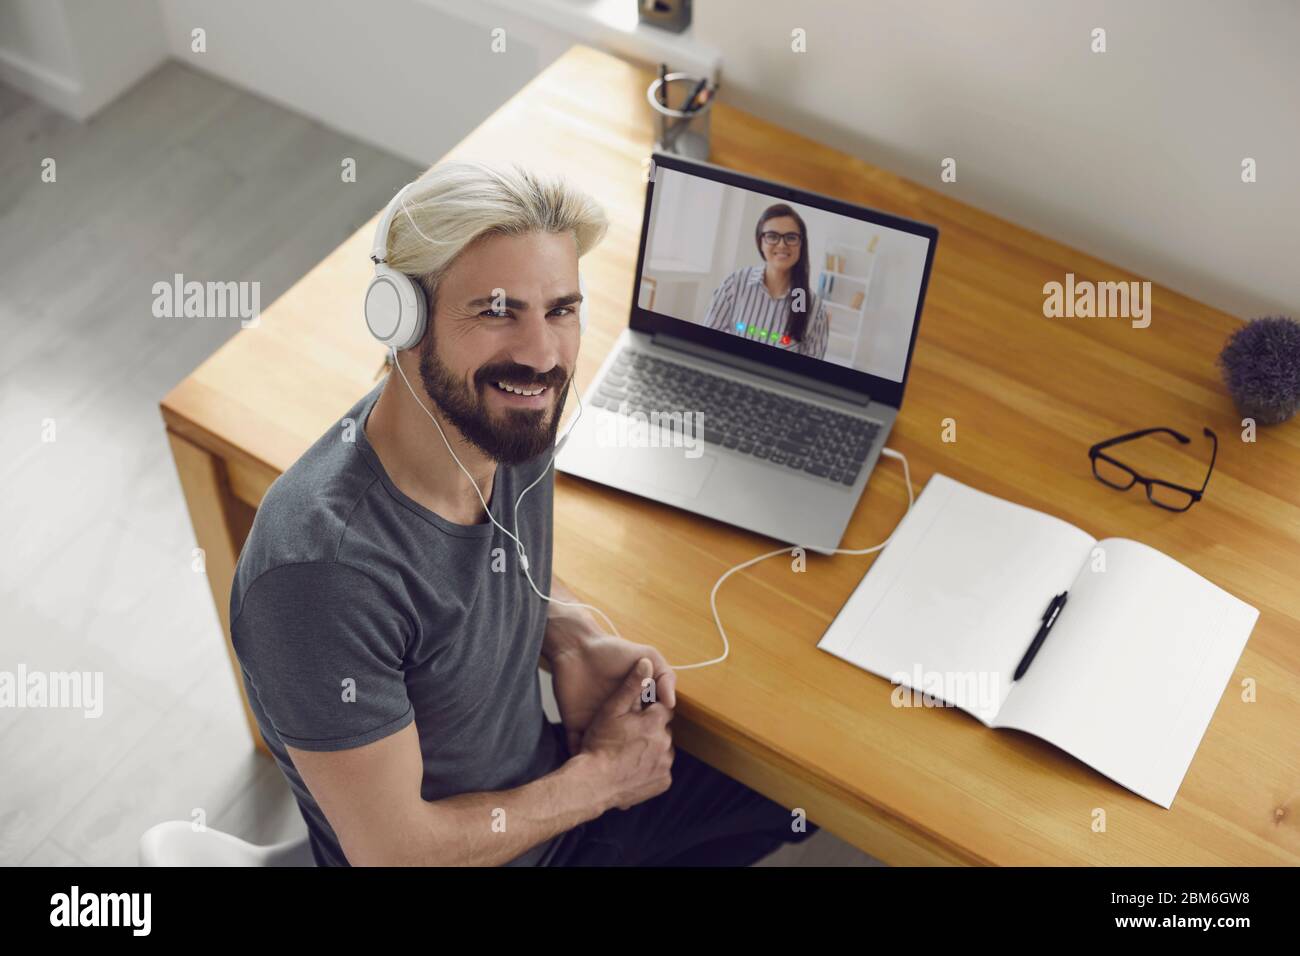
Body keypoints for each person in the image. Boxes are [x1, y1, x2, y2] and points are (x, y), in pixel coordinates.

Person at [228, 160, 818, 866]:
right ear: (401, 317)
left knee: (806, 784)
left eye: (561, 310)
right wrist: (601, 781)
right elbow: (396, 855)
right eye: (497, 310)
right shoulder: (320, 576)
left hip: (549, 801)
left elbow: (483, 566)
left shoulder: (508, 424)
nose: (542, 355)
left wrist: (566, 632)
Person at [704, 204, 830, 360]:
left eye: (791, 237)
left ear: (801, 245)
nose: (782, 245)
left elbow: (811, 373)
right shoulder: (734, 285)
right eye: (772, 236)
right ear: (760, 242)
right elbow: (707, 342)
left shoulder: (815, 311)